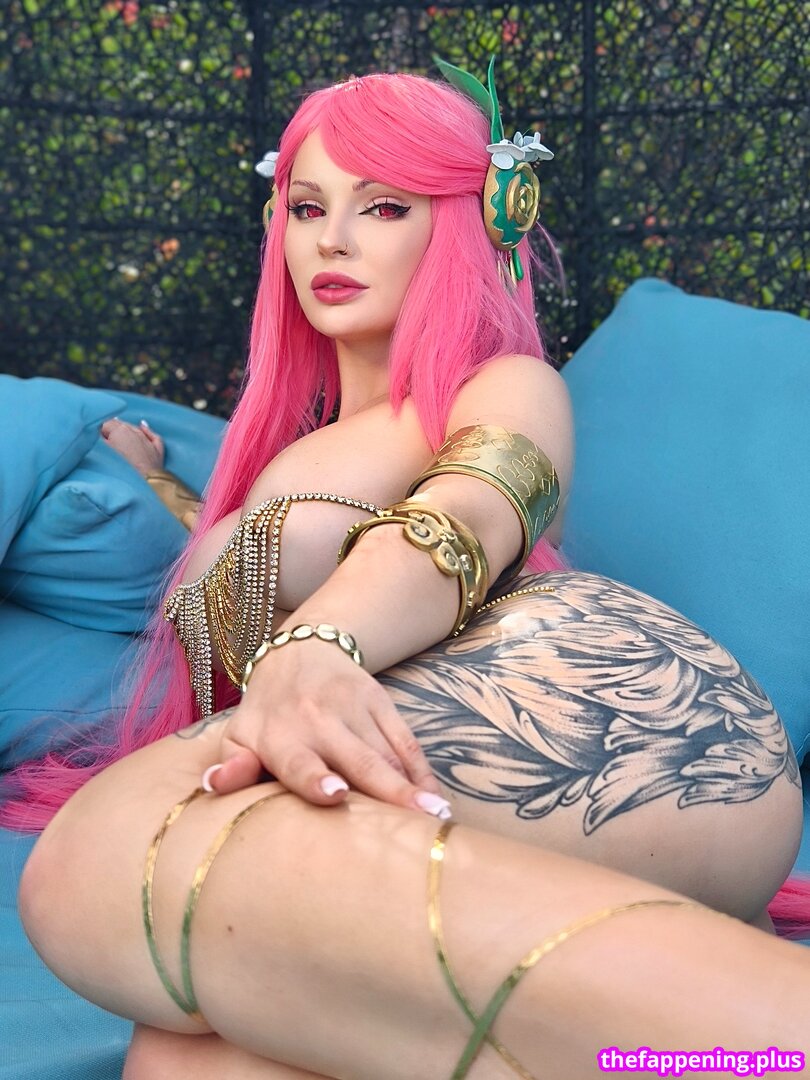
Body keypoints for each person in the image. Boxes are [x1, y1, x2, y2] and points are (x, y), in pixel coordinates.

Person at [12, 60, 809, 1079]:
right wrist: (155, 484)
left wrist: (318, 646)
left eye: (384, 206)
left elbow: (470, 505)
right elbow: (253, 563)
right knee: (184, 1057)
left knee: (107, 853)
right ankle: (717, 1034)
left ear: (466, 226)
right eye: (308, 207)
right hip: (480, 767)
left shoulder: (498, 386)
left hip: (622, 710)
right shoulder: (287, 467)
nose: (333, 239)